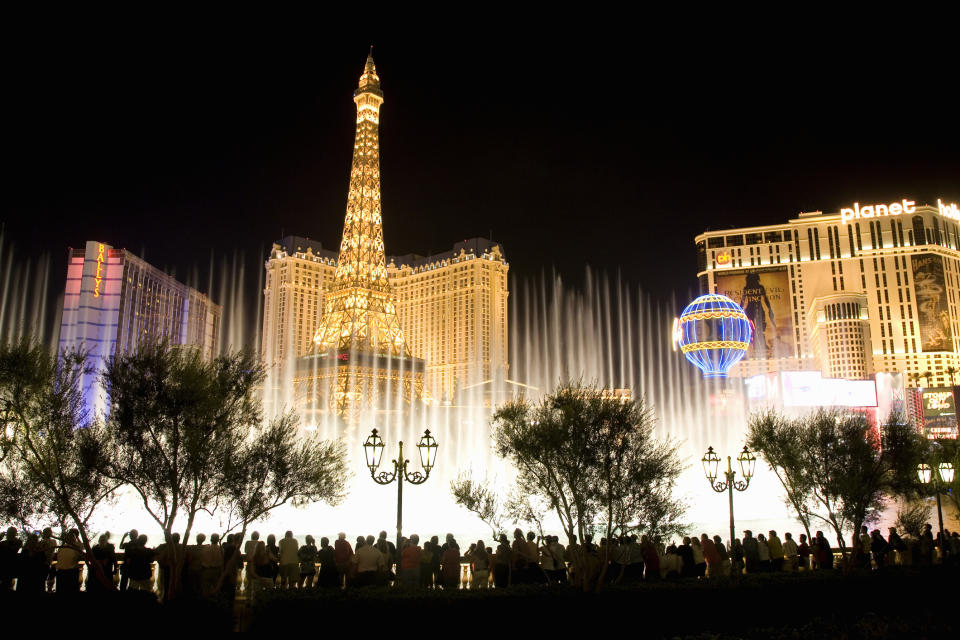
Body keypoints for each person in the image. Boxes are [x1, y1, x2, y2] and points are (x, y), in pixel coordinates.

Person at [56, 530, 83, 595]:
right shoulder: (62, 547)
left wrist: (76, 537)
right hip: (61, 572)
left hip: (71, 572)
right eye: (69, 536)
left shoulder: (76, 547)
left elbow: (81, 545)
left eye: (72, 536)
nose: (70, 538)